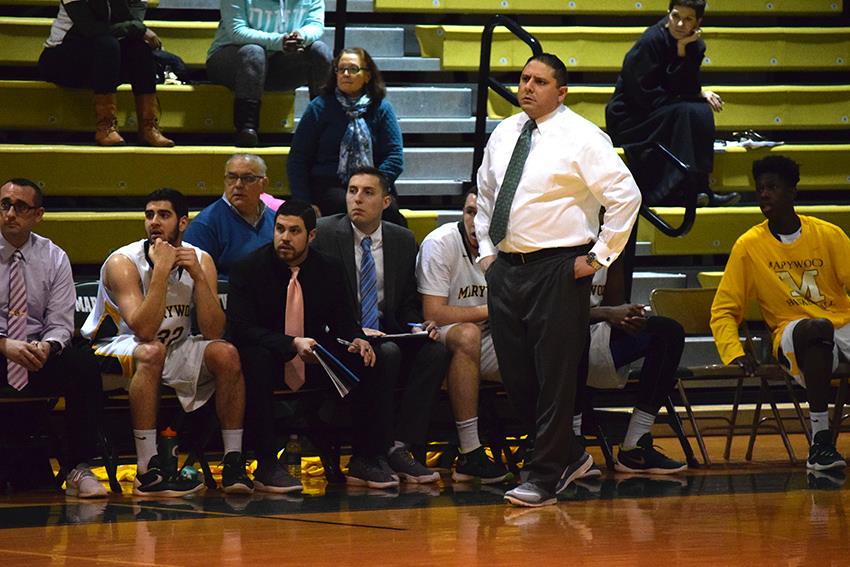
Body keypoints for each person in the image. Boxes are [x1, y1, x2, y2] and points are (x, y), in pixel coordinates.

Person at [475, 53, 642, 507]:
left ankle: (544, 474)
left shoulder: (584, 137)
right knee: (517, 375)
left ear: (561, 91)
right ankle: (568, 453)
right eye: (524, 78)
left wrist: (598, 258)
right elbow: (486, 195)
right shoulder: (505, 131)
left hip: (559, 266)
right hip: (507, 268)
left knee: (555, 375)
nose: (527, 87)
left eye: (540, 81)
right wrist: (488, 255)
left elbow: (626, 197)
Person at [82, 188, 253, 497]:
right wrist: (161, 272)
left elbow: (214, 330)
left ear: (183, 223)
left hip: (171, 347)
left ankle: (233, 460)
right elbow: (144, 330)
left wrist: (199, 278)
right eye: (149, 215)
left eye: (164, 215)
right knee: (152, 351)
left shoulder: (201, 259)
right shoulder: (124, 262)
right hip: (112, 348)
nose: (154, 223)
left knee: (226, 354)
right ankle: (147, 469)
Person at [228, 199, 399, 490]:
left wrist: (358, 338)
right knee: (255, 359)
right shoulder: (248, 268)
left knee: (372, 357)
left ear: (312, 235)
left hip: (314, 355)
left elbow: (344, 319)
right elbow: (241, 329)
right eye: (280, 229)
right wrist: (291, 344)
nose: (284, 237)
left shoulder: (328, 268)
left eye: (294, 231)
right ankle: (267, 464)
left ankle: (366, 458)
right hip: (269, 353)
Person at [711, 155, 849, 472]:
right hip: (791, 334)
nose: (764, 194)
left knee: (825, 326)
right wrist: (733, 351)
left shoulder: (828, 235)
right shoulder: (748, 245)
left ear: (792, 192)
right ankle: (820, 442)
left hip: (841, 326)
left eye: (772, 187)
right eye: (760, 188)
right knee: (816, 328)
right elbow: (724, 308)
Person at [312, 166, 449, 484]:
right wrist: (355, 331)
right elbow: (316, 301)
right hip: (338, 337)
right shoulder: (325, 234)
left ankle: (400, 447)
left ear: (386, 202)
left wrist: (418, 325)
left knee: (435, 352)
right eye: (352, 190)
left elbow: (406, 305)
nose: (357, 198)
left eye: (368, 192)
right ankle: (367, 454)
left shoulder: (401, 239)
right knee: (386, 354)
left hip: (387, 331)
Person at [0, 178, 107, 498]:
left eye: (20, 207)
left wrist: (47, 346)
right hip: (1, 346)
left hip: (36, 350)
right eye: (5, 204)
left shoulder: (54, 256)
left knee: (84, 365)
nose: (10, 213)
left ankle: (78, 467)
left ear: (38, 214)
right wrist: (6, 344)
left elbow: (61, 322)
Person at [415, 187, 511, 484]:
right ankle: (471, 451)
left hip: (491, 334)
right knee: (468, 334)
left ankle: (546, 445)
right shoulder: (441, 243)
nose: (474, 220)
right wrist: (491, 310)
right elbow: (434, 312)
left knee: (537, 341)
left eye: (483, 215)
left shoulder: (509, 246)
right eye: (470, 212)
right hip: (438, 335)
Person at [605, 0, 737, 208]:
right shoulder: (650, 40)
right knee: (685, 112)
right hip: (631, 115)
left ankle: (700, 188)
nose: (680, 24)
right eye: (675, 16)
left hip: (662, 107)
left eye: (688, 19)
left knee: (701, 110)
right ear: (668, 13)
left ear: (698, 22)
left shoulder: (695, 44)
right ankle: (672, 192)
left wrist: (682, 49)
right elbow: (639, 90)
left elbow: (687, 86)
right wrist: (690, 95)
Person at [576, 245, 687, 474]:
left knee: (667, 332)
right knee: (573, 334)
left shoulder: (608, 246)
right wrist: (607, 313)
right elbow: (553, 312)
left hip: (595, 330)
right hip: (554, 336)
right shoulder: (553, 240)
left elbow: (614, 305)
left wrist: (627, 316)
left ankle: (635, 444)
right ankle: (571, 444)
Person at [287, 47, 406, 226]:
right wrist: (304, 202)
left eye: (353, 69)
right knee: (345, 205)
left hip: (374, 184)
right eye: (341, 69)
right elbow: (298, 159)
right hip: (329, 186)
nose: (345, 74)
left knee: (392, 216)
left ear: (367, 75)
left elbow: (394, 157)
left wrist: (371, 186)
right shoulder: (319, 107)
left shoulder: (382, 108)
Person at [38, 0, 174, 147]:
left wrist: (136, 28)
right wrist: (138, 29)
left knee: (140, 48)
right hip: (62, 59)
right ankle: (106, 127)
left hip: (106, 61)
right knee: (107, 44)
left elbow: (132, 23)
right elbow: (89, 29)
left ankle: (148, 127)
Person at [206, 0, 333, 146]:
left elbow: (315, 25)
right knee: (253, 51)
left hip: (279, 65)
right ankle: (246, 130)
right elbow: (237, 31)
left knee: (320, 50)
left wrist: (301, 36)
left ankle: (323, 127)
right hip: (232, 62)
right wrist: (279, 41)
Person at [184, 154, 278, 278]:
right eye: (232, 177)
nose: (238, 184)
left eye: (247, 178)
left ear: (264, 184)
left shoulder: (275, 220)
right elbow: (193, 278)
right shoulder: (204, 224)